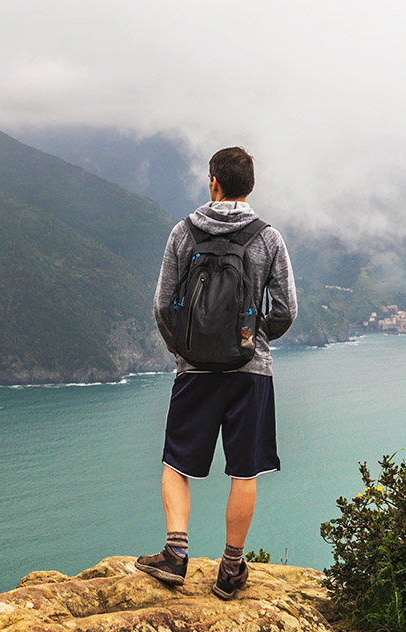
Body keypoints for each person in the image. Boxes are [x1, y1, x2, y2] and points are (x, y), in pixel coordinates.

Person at [135, 146, 298, 599]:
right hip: (251, 371)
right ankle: (230, 571)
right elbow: (286, 310)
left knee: (176, 462)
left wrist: (186, 350)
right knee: (244, 471)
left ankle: (175, 554)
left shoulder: (182, 233)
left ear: (213, 182)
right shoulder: (268, 238)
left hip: (195, 371)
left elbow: (161, 305)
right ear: (250, 186)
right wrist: (252, 337)